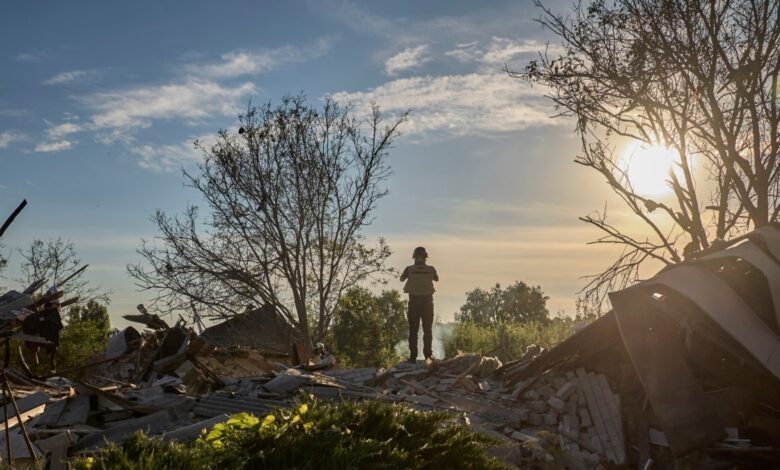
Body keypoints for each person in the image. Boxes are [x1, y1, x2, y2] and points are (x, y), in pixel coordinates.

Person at [400, 247, 438, 363]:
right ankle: (428, 357)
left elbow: (401, 279)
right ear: (426, 257)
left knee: (413, 331)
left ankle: (412, 358)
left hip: (414, 303)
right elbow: (436, 279)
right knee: (428, 330)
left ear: (414, 257)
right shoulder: (431, 269)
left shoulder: (409, 269)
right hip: (427, 303)